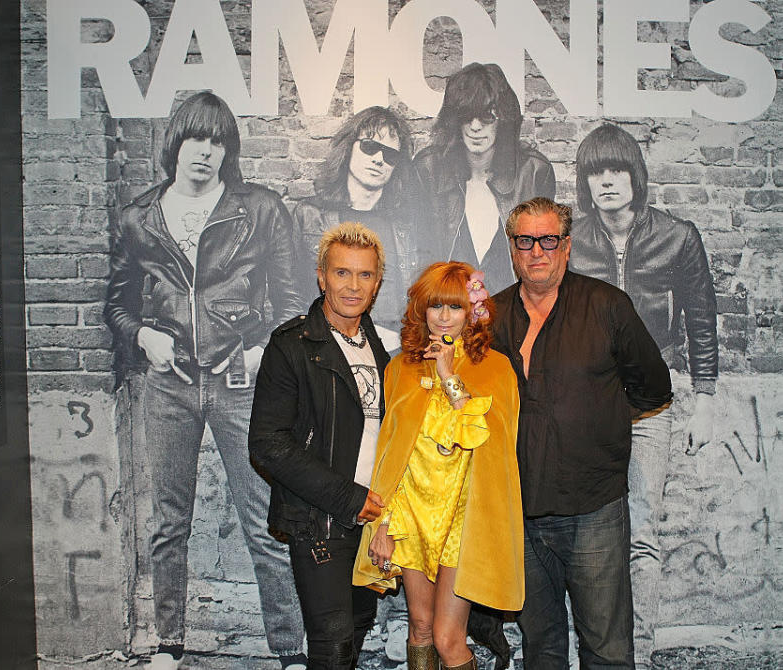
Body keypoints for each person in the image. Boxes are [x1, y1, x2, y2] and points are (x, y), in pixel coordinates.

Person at [103, 91, 306, 670]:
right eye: (196, 139)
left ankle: (290, 650)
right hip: (168, 386)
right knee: (169, 524)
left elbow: (293, 306)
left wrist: (260, 353)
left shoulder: (260, 209)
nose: (206, 152)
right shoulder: (139, 218)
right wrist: (145, 337)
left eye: (218, 141)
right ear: (176, 143)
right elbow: (116, 307)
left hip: (239, 386)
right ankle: (168, 644)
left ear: (228, 151)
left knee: (265, 521)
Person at [492, 197, 673, 669]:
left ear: (567, 246)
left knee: (607, 651)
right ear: (512, 248)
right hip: (520, 513)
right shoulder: (489, 318)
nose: (537, 251)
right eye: (525, 241)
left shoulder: (607, 305)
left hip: (594, 508)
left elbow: (654, 388)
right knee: (541, 649)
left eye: (548, 239)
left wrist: (601, 419)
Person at [568, 123, 719, 668]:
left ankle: (641, 650)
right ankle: (589, 649)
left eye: (616, 170)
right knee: (582, 533)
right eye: (594, 173)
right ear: (585, 183)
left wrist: (703, 399)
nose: (606, 182)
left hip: (650, 406)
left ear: (635, 174)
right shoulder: (570, 239)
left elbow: (702, 321)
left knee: (643, 531)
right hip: (583, 408)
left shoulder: (678, 237)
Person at [353, 262, 524, 670]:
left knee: (449, 640)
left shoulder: (496, 368)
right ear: (421, 310)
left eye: (455, 307)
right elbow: (391, 455)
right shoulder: (400, 369)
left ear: (473, 312)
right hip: (412, 516)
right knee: (421, 628)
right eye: (436, 307)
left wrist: (448, 374)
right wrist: (384, 524)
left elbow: (481, 435)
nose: (444, 317)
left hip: (465, 522)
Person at [249, 223, 391, 670]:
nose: (353, 285)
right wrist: (348, 498)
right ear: (321, 277)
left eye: (364, 275)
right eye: (342, 273)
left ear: (377, 282)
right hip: (320, 520)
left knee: (359, 627)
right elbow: (268, 443)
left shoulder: (380, 347)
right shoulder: (291, 345)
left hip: (374, 516)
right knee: (332, 645)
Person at [293, 106, 432, 350]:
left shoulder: (406, 224)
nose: (379, 159)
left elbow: (422, 299)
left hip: (393, 354)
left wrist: (403, 337)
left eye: (390, 155)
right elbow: (294, 295)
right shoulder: (310, 216)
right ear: (348, 149)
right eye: (369, 147)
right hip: (328, 352)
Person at [414, 62, 555, 292]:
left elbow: (543, 262)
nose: (475, 127)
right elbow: (419, 254)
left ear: (503, 120)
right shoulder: (428, 170)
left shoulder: (533, 172)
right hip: (448, 315)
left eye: (487, 117)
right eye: (467, 117)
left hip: (512, 317)